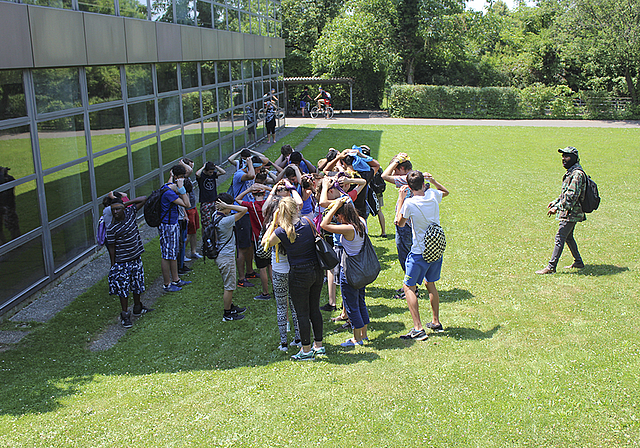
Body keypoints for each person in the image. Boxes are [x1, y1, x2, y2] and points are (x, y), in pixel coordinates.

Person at [263, 197, 324, 361]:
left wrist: (274, 221)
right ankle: (319, 345)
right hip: (317, 270)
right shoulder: (307, 221)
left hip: (299, 274)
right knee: (314, 310)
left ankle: (306, 350)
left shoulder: (282, 231)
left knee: (302, 313)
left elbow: (266, 243)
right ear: (296, 209)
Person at [395, 170, 449, 340]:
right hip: (436, 249)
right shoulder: (432, 194)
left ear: (409, 187)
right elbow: (445, 192)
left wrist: (401, 198)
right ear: (423, 183)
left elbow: (400, 222)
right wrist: (433, 181)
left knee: (408, 287)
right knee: (430, 283)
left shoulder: (409, 203)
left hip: (419, 252)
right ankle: (436, 322)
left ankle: (418, 328)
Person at [321, 198, 370, 347]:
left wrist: (334, 206)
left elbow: (324, 225)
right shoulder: (361, 221)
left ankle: (356, 338)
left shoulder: (348, 229)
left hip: (349, 270)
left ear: (342, 215)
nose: (336, 218)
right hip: (361, 269)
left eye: (337, 215)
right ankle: (364, 334)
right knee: (361, 301)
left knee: (351, 304)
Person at [536, 146, 587, 274]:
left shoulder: (577, 174)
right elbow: (565, 193)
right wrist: (555, 201)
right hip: (568, 211)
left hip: (572, 212)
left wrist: (556, 208)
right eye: (563, 156)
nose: (564, 159)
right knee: (568, 237)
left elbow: (570, 198)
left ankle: (551, 267)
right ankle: (578, 262)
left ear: (574, 158)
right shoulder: (571, 172)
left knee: (560, 237)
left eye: (567, 156)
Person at [106, 195, 152, 328]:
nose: (115, 212)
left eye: (118, 209)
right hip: (122, 262)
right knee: (123, 289)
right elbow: (112, 249)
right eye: (113, 210)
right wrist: (113, 266)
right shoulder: (111, 228)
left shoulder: (130, 213)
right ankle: (125, 314)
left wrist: (126, 203)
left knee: (137, 284)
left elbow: (144, 199)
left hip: (135, 258)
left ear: (123, 209)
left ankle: (138, 307)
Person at [262, 199, 301, 351]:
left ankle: (283, 342)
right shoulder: (296, 226)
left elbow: (264, 244)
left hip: (278, 271)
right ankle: (298, 338)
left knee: (281, 306)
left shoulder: (274, 228)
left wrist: (273, 222)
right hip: (293, 269)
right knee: (294, 305)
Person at [381, 153, 416, 299]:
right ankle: (409, 286)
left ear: (402, 168)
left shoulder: (406, 178)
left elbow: (384, 176)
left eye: (396, 170)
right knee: (408, 256)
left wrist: (395, 161)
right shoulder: (416, 178)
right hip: (411, 224)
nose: (394, 174)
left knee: (406, 257)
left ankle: (411, 289)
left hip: (405, 225)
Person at [211, 193, 249, 321]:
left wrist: (225, 207)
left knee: (229, 284)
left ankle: (231, 306)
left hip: (221, 255)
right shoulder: (226, 221)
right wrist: (227, 205)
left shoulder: (215, 216)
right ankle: (227, 314)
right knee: (229, 287)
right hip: (226, 257)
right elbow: (244, 210)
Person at [236, 181, 272, 301]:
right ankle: (276, 290)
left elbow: (237, 199)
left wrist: (248, 190)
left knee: (262, 268)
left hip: (258, 239)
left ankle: (265, 293)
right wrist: (266, 187)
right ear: (264, 193)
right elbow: (277, 194)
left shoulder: (251, 206)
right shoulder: (270, 204)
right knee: (271, 265)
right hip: (271, 237)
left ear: (253, 195)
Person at [159, 165, 192, 292]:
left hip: (172, 225)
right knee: (167, 255)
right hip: (168, 226)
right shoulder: (169, 193)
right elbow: (187, 204)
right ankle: (167, 284)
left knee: (173, 253)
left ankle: (176, 279)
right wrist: (182, 190)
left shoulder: (167, 187)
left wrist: (173, 178)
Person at [196, 161, 226, 229]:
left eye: (212, 172)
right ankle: (206, 236)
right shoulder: (201, 176)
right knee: (205, 222)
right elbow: (197, 174)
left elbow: (223, 172)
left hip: (213, 200)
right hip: (205, 201)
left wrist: (216, 166)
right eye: (210, 172)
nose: (211, 173)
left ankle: (214, 237)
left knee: (215, 219)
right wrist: (203, 167)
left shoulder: (213, 175)